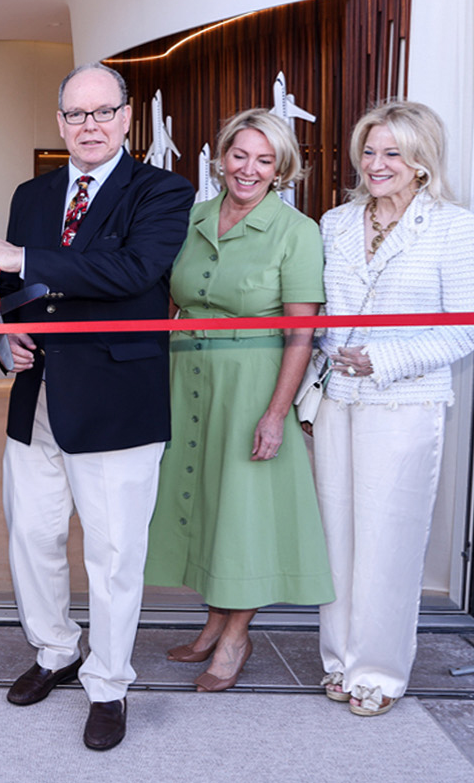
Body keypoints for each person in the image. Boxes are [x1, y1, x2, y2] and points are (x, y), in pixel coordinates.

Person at [0, 63, 195, 750]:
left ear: (128, 117)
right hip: (35, 396)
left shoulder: (161, 191)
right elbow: (16, 292)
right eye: (76, 114)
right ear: (60, 120)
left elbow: (131, 271)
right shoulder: (30, 193)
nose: (89, 126)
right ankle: (55, 650)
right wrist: (7, 328)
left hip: (116, 403)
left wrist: (22, 258)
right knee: (31, 538)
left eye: (103, 112)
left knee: (113, 552)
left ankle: (108, 683)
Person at [145, 109, 334, 691]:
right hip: (187, 374)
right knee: (204, 500)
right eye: (239, 155)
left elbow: (301, 332)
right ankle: (212, 621)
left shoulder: (296, 231)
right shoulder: (193, 216)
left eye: (264, 159)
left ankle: (235, 637)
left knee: (245, 512)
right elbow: (170, 299)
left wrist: (276, 412)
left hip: (251, 382)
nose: (248, 169)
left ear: (281, 168)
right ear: (220, 157)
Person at [311, 100, 474, 716]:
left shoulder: (452, 225)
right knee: (337, 537)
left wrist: (381, 362)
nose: (377, 163)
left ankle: (379, 672)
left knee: (388, 539)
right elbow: (321, 312)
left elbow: (468, 327)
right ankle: (338, 659)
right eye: (369, 150)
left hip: (405, 403)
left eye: (393, 152)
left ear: (421, 161)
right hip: (338, 400)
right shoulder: (335, 221)